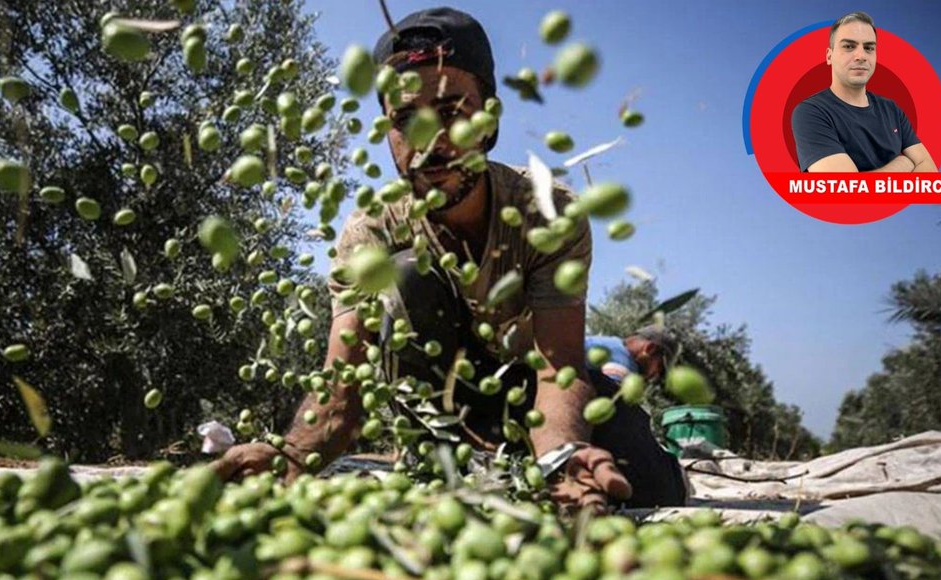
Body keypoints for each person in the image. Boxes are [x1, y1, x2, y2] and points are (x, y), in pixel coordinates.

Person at [213, 7, 686, 511]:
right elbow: (344, 385)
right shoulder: (370, 234)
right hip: (446, 405)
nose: (429, 142)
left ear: (489, 120)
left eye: (452, 112)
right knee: (405, 273)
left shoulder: (548, 215)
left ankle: (669, 467)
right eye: (405, 120)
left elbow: (556, 367)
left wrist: (560, 454)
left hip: (531, 389)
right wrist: (292, 456)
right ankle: (445, 456)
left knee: (643, 487)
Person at [791, 11, 936, 173]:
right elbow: (848, 192)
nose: (861, 56)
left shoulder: (892, 109)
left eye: (869, 48)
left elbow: (930, 175)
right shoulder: (811, 112)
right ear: (829, 56)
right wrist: (903, 164)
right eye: (848, 46)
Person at [584, 325, 678, 385]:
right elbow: (611, 396)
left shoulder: (611, 343)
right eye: (660, 368)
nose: (656, 376)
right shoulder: (624, 362)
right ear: (650, 349)